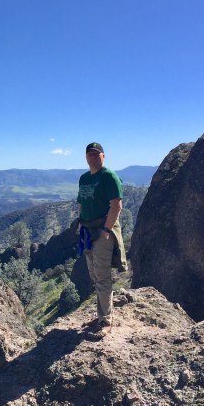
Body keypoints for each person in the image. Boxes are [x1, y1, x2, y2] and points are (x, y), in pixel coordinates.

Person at [77, 142, 127, 332]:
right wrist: (80, 224)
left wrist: (106, 230)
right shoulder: (84, 178)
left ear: (103, 156)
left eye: (96, 154)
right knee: (94, 275)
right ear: (86, 157)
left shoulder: (109, 176)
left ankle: (105, 320)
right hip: (87, 231)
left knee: (102, 275)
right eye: (90, 154)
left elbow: (116, 205)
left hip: (102, 230)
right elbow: (81, 203)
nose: (93, 157)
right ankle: (102, 315)